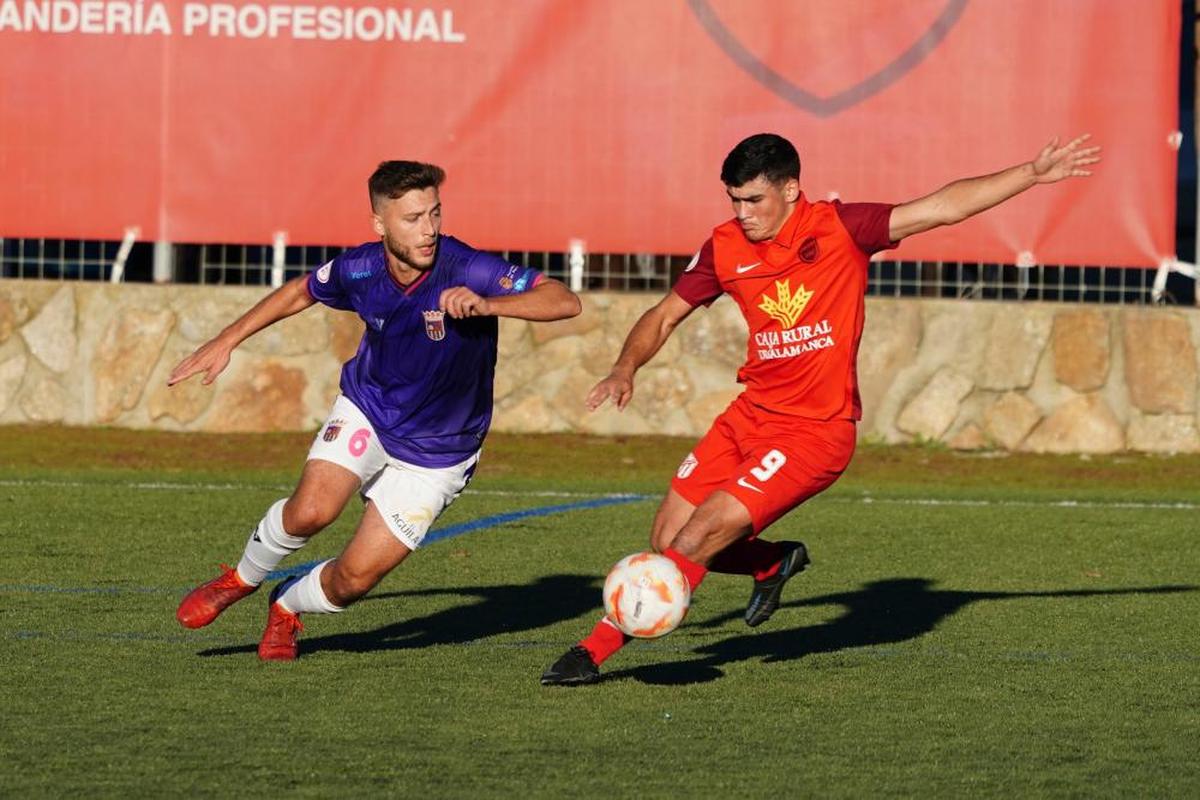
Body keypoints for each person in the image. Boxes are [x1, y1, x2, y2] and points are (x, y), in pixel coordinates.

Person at [541, 132, 1099, 685]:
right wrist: (624, 367)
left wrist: (1031, 172)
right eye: (733, 200)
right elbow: (664, 315)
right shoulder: (724, 246)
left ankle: (593, 650)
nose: (743, 213)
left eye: (753, 200)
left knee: (695, 540)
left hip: (814, 433)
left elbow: (940, 208)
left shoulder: (841, 229)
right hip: (749, 416)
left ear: (791, 189)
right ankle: (768, 563)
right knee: (666, 538)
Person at [171, 160, 581, 661]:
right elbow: (302, 290)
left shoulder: (468, 268)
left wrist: (488, 305)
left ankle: (286, 605)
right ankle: (240, 579)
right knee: (311, 511)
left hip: (439, 453)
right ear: (380, 224)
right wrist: (227, 339)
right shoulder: (360, 268)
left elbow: (564, 300)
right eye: (412, 218)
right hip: (370, 408)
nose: (428, 230)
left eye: (434, 213)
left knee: (353, 580)